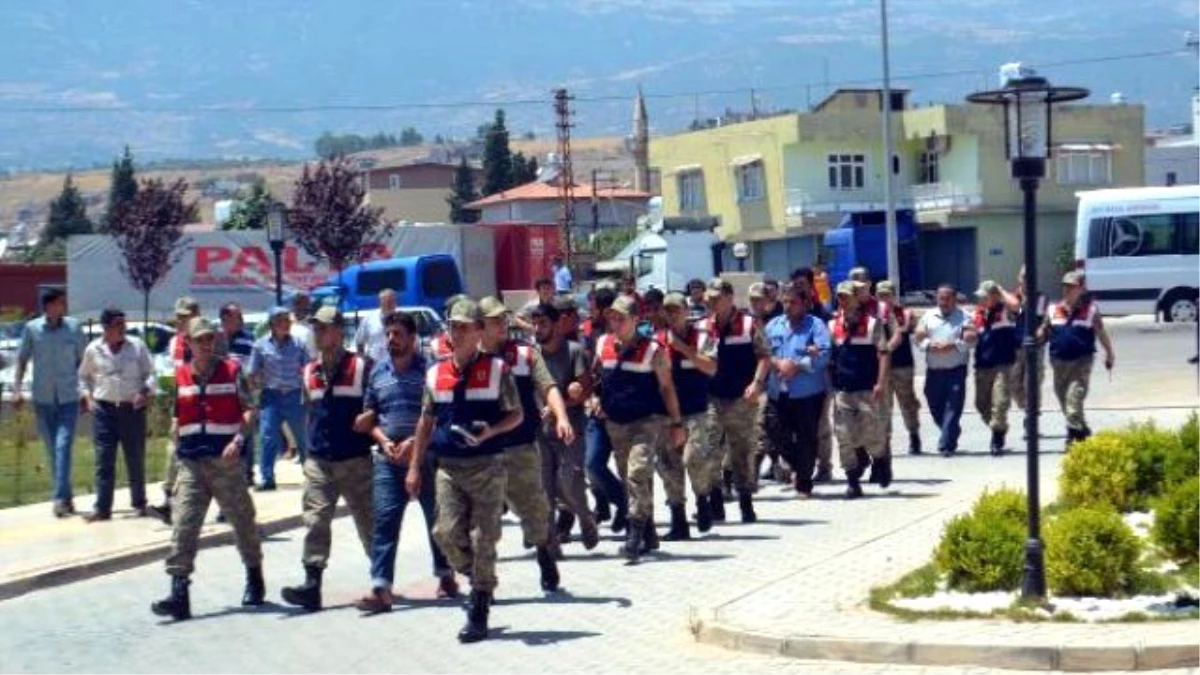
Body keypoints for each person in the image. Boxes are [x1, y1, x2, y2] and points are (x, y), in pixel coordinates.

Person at [408, 299, 523, 643]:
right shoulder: (434, 372)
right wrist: (414, 467)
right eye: (452, 326)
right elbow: (425, 422)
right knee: (445, 533)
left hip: (488, 465)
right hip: (448, 469)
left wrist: (492, 431)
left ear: (478, 331)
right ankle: (478, 576)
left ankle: (479, 608)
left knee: (484, 538)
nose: (456, 333)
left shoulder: (498, 370)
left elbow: (515, 414)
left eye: (463, 327)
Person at [151, 318, 263, 621]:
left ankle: (254, 575)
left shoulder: (232, 370)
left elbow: (250, 410)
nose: (205, 344)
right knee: (183, 525)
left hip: (224, 461)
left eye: (209, 339)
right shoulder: (181, 375)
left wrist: (238, 441)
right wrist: (175, 428)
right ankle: (179, 593)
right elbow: (179, 413)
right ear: (187, 342)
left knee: (242, 521)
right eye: (199, 340)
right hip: (191, 462)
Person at [354, 311, 457, 615]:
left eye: (398, 334)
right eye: (388, 335)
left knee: (436, 521)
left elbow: (441, 416)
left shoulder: (430, 372)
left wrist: (416, 442)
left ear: (412, 339)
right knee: (384, 521)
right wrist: (383, 441)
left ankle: (445, 575)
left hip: (425, 457)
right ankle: (381, 588)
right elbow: (371, 415)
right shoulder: (377, 373)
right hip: (388, 459)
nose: (391, 340)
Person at [281, 307, 375, 611]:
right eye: (315, 329)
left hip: (355, 459)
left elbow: (378, 404)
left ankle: (381, 578)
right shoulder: (309, 371)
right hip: (320, 459)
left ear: (338, 330)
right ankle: (312, 584)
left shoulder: (362, 367)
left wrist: (370, 418)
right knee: (315, 520)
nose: (318, 334)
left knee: (368, 522)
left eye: (323, 328)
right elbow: (309, 410)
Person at [478, 296, 570, 591]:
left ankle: (544, 553)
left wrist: (562, 416)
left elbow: (549, 387)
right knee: (483, 525)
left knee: (534, 511)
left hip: (521, 447)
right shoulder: (470, 359)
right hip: (483, 453)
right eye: (494, 321)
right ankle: (482, 587)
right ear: (480, 326)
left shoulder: (525, 355)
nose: (502, 325)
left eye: (503, 318)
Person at [594, 295, 686, 562]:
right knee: (631, 479)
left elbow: (667, 388)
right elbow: (597, 376)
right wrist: (592, 397)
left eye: (621, 318)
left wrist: (677, 423)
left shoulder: (652, 350)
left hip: (645, 423)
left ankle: (633, 537)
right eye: (612, 317)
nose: (615, 322)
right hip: (615, 424)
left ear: (636, 320)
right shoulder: (603, 344)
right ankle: (649, 532)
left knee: (637, 473)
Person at [696, 279, 771, 523]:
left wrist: (757, 383)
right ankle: (716, 501)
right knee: (708, 450)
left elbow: (764, 356)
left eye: (716, 298)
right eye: (709, 299)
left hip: (741, 397)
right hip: (711, 397)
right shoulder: (703, 327)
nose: (712, 303)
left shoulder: (749, 324)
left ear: (729, 298)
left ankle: (746, 502)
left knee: (742, 451)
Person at [530, 302, 600, 551]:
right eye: (535, 324)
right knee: (545, 490)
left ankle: (586, 518)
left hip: (571, 429)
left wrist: (569, 398)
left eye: (543, 323)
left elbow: (586, 389)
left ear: (557, 324)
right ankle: (550, 547)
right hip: (541, 432)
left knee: (569, 481)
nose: (538, 329)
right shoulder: (531, 355)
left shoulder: (574, 352)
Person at [78, 308, 155, 521]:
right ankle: (102, 508)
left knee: (135, 457)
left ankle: (139, 503)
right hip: (104, 411)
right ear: (105, 328)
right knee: (104, 460)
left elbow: (151, 376)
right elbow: (83, 377)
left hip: (131, 410)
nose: (123, 329)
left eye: (124, 324)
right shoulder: (93, 349)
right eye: (117, 325)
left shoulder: (137, 347)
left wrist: (144, 392)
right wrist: (88, 397)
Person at [15, 288, 87, 517]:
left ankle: (58, 499)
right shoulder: (32, 329)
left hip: (68, 398)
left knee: (62, 446)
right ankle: (66, 497)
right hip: (43, 399)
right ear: (47, 307)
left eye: (62, 304)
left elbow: (84, 364)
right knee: (52, 450)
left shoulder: (74, 328)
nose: (62, 307)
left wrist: (86, 392)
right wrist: (17, 390)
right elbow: (21, 360)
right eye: (58, 304)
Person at [655, 292, 718, 538]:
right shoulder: (657, 340)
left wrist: (683, 349)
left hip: (697, 410)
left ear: (686, 311)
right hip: (668, 414)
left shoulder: (702, 336)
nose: (672, 315)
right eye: (668, 310)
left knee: (694, 458)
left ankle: (703, 498)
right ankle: (678, 520)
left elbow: (711, 367)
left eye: (676, 310)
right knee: (669, 467)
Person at [764, 283, 830, 498]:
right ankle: (797, 465)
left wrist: (797, 365)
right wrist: (777, 363)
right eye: (785, 301)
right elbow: (762, 352)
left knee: (806, 436)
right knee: (774, 432)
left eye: (793, 302)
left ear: (805, 304)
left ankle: (804, 480)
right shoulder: (774, 325)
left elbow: (823, 354)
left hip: (807, 393)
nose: (788, 306)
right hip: (777, 391)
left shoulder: (815, 326)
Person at [828, 282, 891, 498]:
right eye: (839, 297)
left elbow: (883, 353)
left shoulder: (873, 324)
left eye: (846, 296)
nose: (842, 301)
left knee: (871, 433)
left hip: (867, 388)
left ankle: (880, 459)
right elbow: (830, 357)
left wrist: (880, 383)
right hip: (843, 389)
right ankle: (853, 480)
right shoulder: (833, 325)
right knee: (844, 435)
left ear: (857, 299)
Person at [1039, 271, 1116, 446]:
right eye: (1065, 286)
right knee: (1063, 399)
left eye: (1072, 287)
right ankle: (1082, 431)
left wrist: (1110, 353)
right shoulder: (1052, 309)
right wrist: (1037, 335)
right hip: (1058, 362)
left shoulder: (1090, 311)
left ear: (1081, 289)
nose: (1067, 290)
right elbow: (1044, 330)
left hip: (1081, 362)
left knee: (1074, 399)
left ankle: (1072, 439)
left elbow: (1101, 332)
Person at [148, 296, 201, 522]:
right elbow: (178, 379)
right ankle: (170, 500)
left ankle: (232, 508)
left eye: (185, 317)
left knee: (209, 460)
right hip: (183, 404)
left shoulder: (208, 340)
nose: (180, 321)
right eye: (178, 317)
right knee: (175, 452)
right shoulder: (174, 343)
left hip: (206, 405)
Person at [580, 287, 628, 532]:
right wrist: (592, 398)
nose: (590, 311)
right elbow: (594, 374)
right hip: (598, 411)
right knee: (592, 463)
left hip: (627, 416)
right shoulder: (594, 336)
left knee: (630, 470)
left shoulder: (636, 339)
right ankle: (619, 502)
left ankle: (629, 512)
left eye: (593, 306)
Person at [247, 306, 310, 489]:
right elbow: (252, 372)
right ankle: (267, 479)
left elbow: (308, 370)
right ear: (273, 324)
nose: (287, 324)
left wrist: (309, 394)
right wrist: (255, 394)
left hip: (294, 395)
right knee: (267, 436)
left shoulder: (299, 344)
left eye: (288, 321)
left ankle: (312, 476)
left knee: (302, 437)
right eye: (282, 320)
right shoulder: (260, 345)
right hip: (271, 396)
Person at [914, 284, 977, 456]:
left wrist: (953, 345)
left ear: (955, 299)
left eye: (947, 298)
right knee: (934, 404)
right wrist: (929, 345)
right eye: (941, 298)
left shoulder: (965, 317)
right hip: (934, 370)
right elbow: (918, 336)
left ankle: (945, 444)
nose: (943, 302)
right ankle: (951, 431)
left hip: (956, 370)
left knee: (953, 407)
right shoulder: (928, 316)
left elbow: (971, 340)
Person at [792, 267, 834, 481]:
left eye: (803, 285)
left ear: (810, 286)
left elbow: (828, 347)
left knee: (820, 424)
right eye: (796, 285)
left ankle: (824, 466)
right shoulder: (788, 313)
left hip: (819, 376)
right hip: (793, 379)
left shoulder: (822, 314)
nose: (799, 289)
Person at [973, 280, 1021, 455]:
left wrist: (1000, 289)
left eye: (985, 296)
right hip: (982, 365)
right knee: (980, 404)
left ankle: (996, 438)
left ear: (994, 296)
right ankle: (1000, 428)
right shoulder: (978, 313)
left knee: (1000, 403)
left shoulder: (1005, 310)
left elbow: (1016, 305)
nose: (981, 300)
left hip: (1003, 363)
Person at [875, 281, 922, 456]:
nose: (884, 298)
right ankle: (885, 440)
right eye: (880, 295)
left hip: (902, 365)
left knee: (908, 403)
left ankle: (914, 434)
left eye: (887, 294)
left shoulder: (905, 313)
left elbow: (909, 329)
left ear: (894, 295)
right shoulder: (874, 315)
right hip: (882, 367)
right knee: (883, 405)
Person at [220, 302, 257, 484]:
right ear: (225, 319)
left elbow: (255, 364)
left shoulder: (249, 339)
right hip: (222, 391)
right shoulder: (217, 340)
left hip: (243, 389)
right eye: (236, 317)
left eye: (241, 316)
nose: (240, 320)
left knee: (246, 429)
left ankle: (247, 472)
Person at [1010, 265, 1048, 414]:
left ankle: (1031, 415)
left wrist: (1042, 328)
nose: (1027, 280)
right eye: (1024, 277)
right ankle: (1027, 406)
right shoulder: (1012, 298)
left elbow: (1045, 319)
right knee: (1013, 383)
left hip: (1035, 347)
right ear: (1019, 279)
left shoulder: (1041, 298)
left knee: (1031, 382)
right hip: (1016, 346)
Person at [355, 289, 398, 364]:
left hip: (396, 364)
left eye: (391, 301)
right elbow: (359, 341)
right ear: (380, 302)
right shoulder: (369, 319)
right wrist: (362, 360)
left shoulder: (402, 319)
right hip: (373, 364)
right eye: (386, 301)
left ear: (396, 302)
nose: (389, 304)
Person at [289, 293, 318, 360]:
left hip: (311, 362)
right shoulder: (285, 322)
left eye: (307, 305)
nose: (306, 307)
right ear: (294, 305)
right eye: (300, 304)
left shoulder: (314, 323)